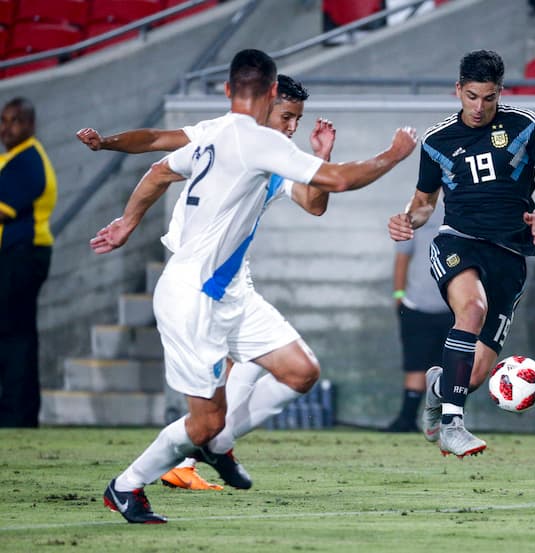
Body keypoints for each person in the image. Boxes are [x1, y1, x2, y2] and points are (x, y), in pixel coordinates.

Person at [92, 48, 417, 524]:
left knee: (301, 372)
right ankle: (126, 485)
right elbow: (339, 182)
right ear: (269, 94)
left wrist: (128, 221)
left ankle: (218, 444)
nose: (292, 126)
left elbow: (162, 169)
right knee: (206, 420)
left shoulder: (223, 135)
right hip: (194, 293)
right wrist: (393, 155)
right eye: (287, 116)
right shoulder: (256, 141)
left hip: (230, 290)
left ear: (230, 90)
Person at [78, 74, 335, 491]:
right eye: (287, 117)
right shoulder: (220, 133)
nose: (292, 128)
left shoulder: (277, 155)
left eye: (297, 121)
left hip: (229, 277)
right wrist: (107, 144)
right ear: (265, 104)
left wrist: (322, 159)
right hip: (193, 278)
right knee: (226, 388)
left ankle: (209, 448)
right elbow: (156, 143)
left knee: (280, 369)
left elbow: (314, 204)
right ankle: (182, 459)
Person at [387, 49, 535, 458]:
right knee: (472, 309)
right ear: (458, 90)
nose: (478, 107)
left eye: (488, 98)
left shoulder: (527, 126)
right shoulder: (437, 139)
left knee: (473, 375)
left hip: (510, 254)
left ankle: (439, 388)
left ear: (500, 92)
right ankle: (453, 426)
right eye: (471, 96)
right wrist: (407, 219)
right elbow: (424, 203)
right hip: (459, 241)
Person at [0, 97, 57, 428]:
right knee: (14, 334)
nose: (7, 128)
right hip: (16, 255)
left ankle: (16, 416)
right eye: (4, 120)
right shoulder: (14, 159)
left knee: (14, 336)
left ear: (31, 125)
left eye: (15, 121)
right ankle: (18, 413)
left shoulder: (27, 160)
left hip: (22, 255)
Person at [384, 199, 453, 433]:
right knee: (415, 365)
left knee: (449, 370)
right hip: (416, 306)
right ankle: (406, 419)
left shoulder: (467, 210)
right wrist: (399, 295)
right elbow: (402, 257)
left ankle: (447, 423)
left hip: (453, 308)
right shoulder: (416, 212)